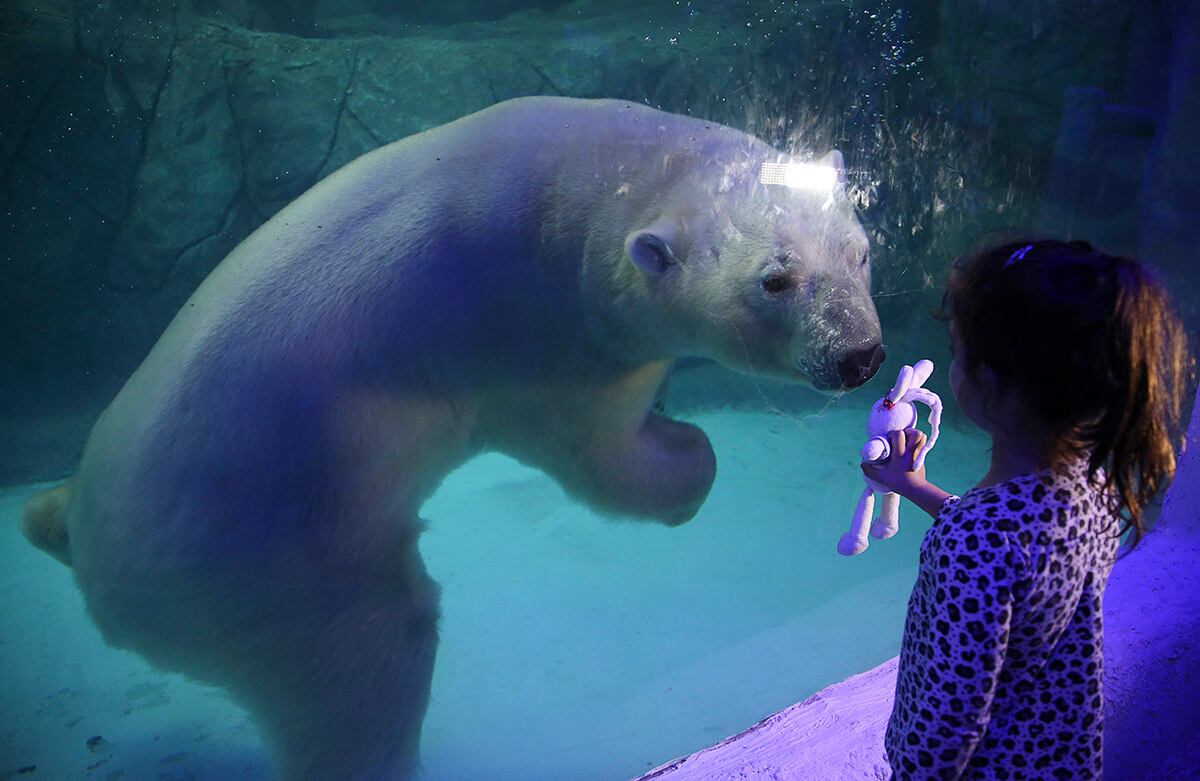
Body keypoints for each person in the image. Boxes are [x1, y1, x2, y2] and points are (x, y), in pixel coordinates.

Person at [863, 238, 1194, 780]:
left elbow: (949, 726)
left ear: (988, 379)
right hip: (1056, 757)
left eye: (957, 350)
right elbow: (1016, 551)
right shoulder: (1096, 484)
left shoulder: (975, 543)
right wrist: (917, 487)